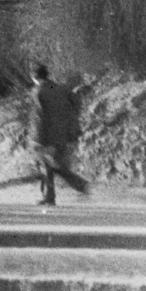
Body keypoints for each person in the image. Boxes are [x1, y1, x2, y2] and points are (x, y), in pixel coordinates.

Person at [27, 62, 88, 205]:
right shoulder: (60, 88)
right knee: (50, 165)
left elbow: (38, 117)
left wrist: (36, 139)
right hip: (62, 134)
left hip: (46, 135)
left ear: (34, 76)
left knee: (52, 165)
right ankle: (50, 196)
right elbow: (76, 103)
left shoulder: (38, 92)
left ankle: (79, 185)